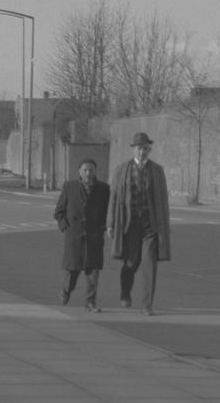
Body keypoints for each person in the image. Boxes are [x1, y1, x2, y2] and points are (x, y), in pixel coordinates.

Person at [106, 132, 171, 316]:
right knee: (131, 262)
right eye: (139, 148)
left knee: (150, 264)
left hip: (150, 223)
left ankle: (147, 305)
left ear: (149, 150)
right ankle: (125, 292)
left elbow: (162, 200)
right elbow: (114, 197)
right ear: (133, 149)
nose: (142, 152)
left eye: (145, 149)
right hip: (129, 223)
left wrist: (164, 226)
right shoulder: (122, 169)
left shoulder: (157, 171)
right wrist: (110, 223)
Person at [54, 158, 110, 312]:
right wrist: (66, 227)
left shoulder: (104, 189)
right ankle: (66, 290)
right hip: (74, 236)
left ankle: (90, 302)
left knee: (93, 271)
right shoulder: (69, 187)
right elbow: (59, 212)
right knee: (72, 271)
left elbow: (107, 211)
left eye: (91, 170)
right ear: (79, 171)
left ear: (95, 171)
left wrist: (104, 227)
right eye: (85, 170)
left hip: (94, 236)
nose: (88, 173)